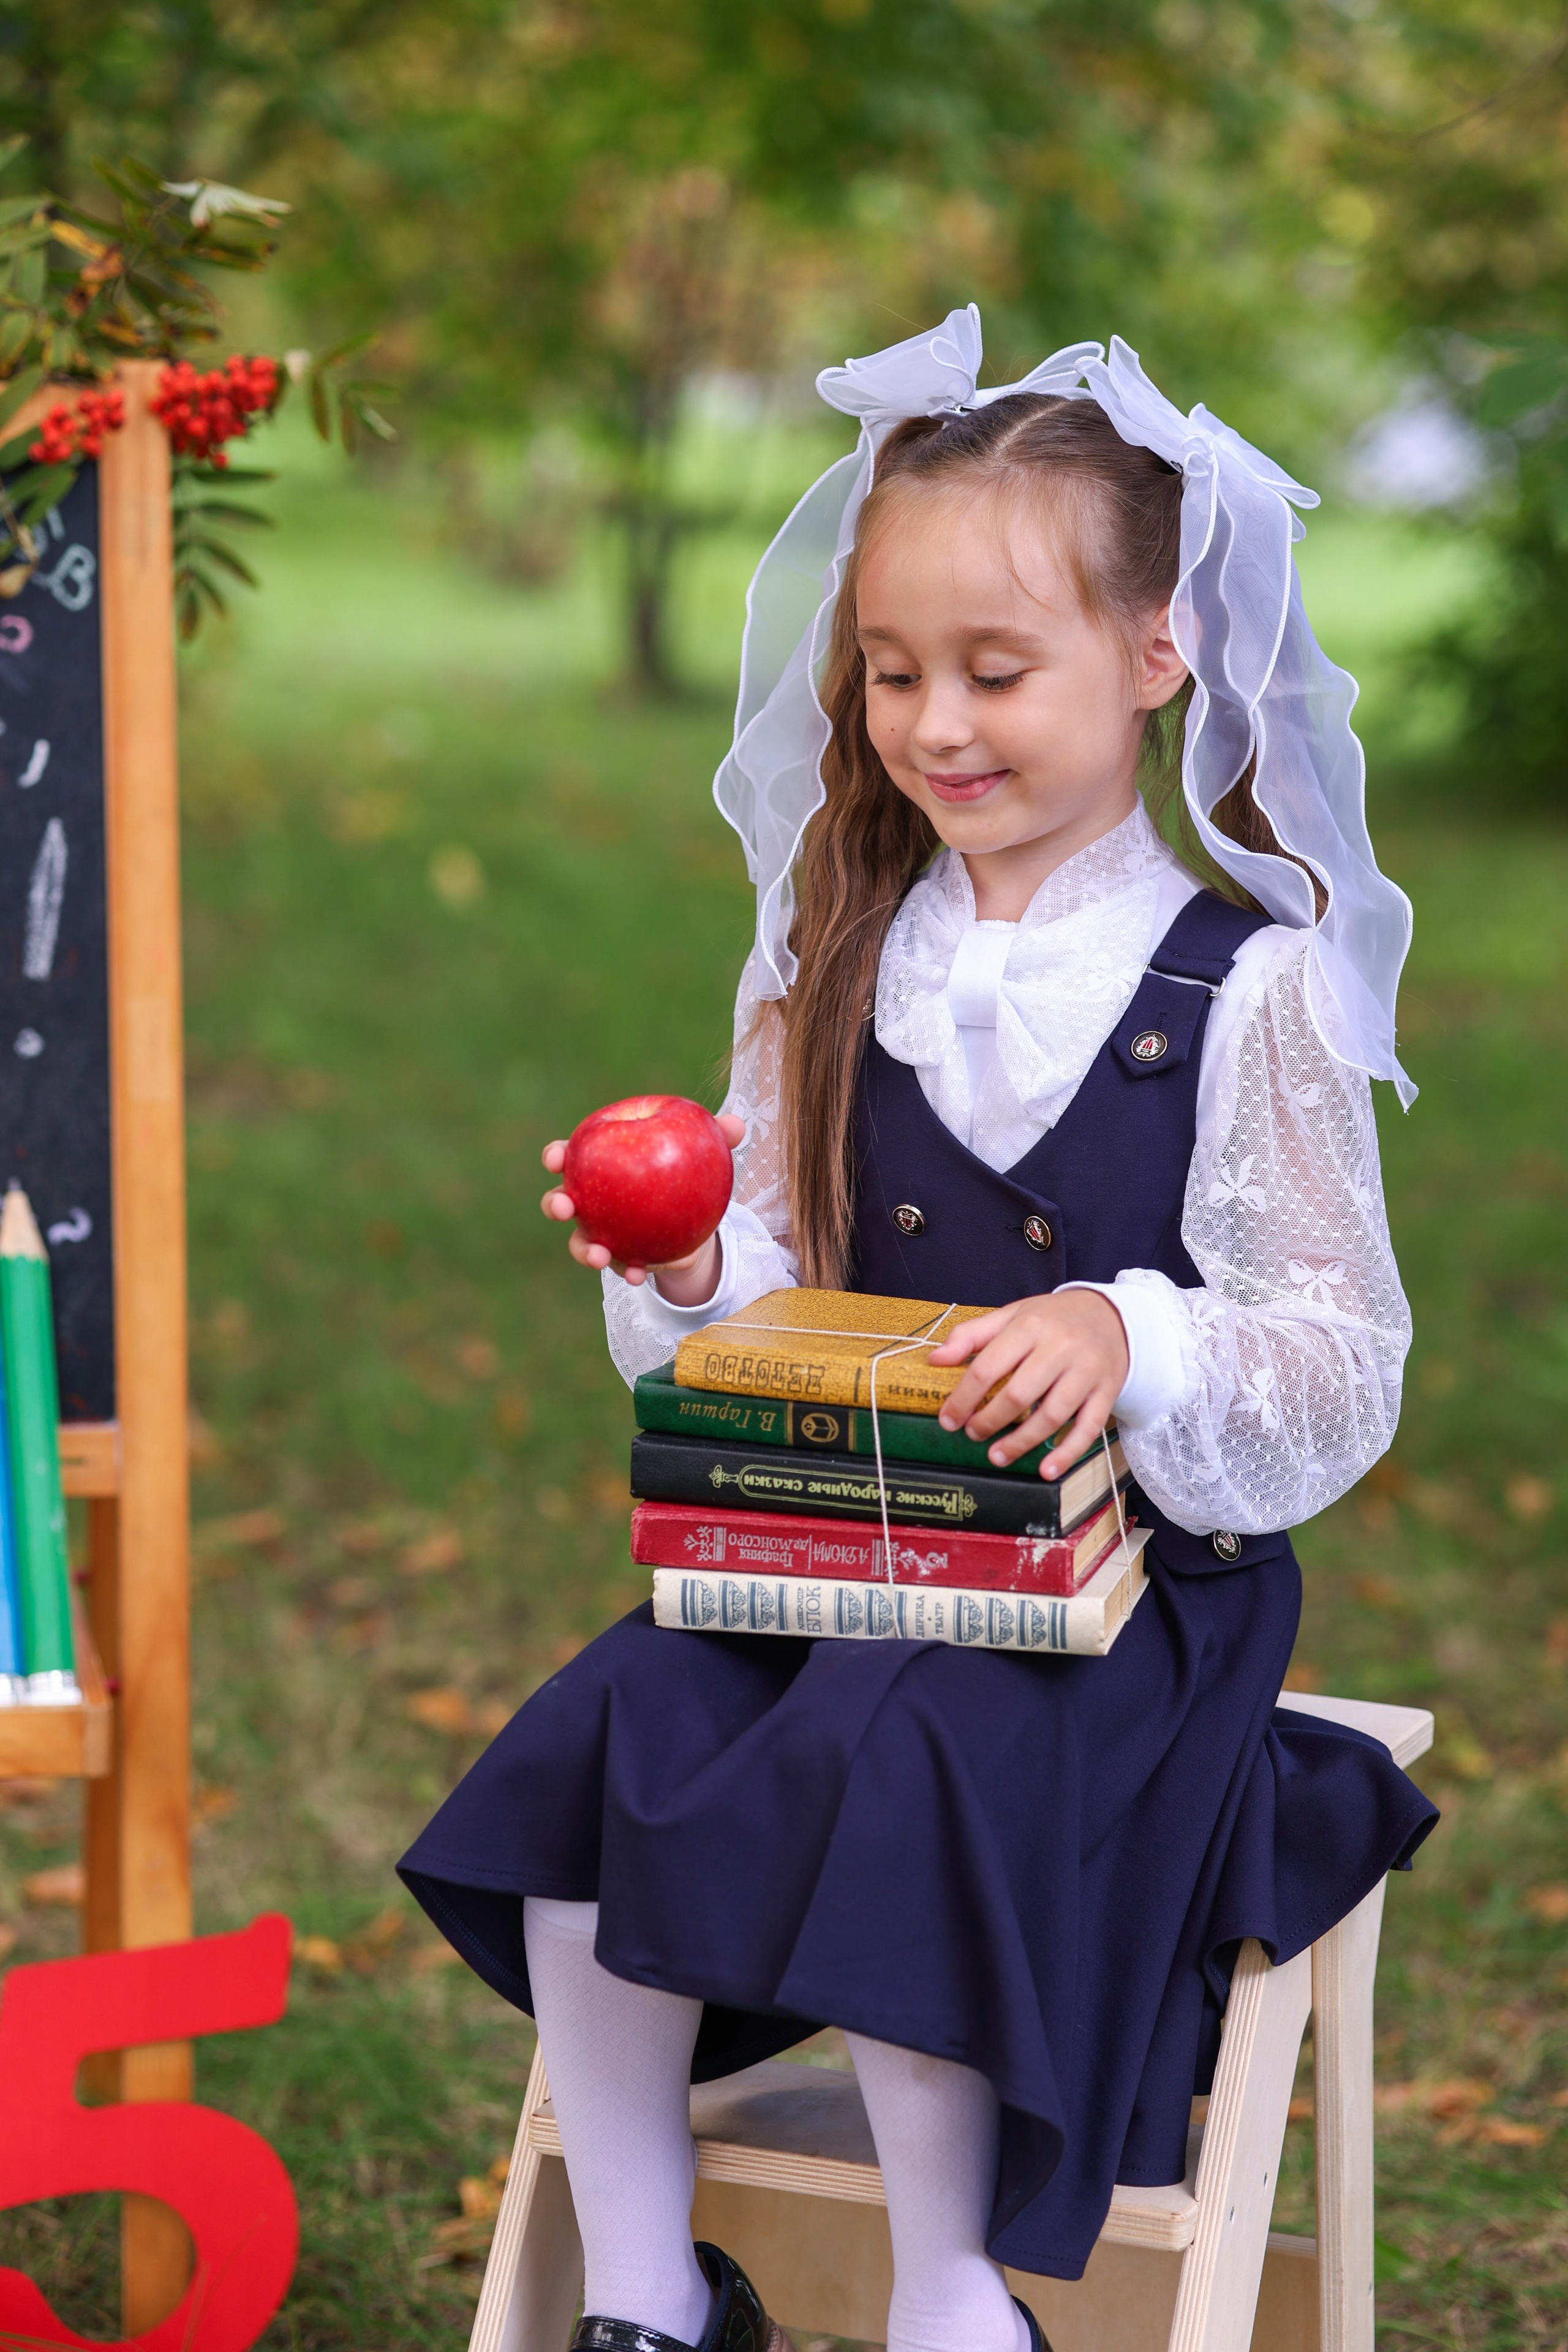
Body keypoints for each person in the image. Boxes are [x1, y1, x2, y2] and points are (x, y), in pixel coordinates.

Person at [401, 312, 1439, 2352]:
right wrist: (694, 1273)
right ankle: (646, 2292)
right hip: (848, 1560)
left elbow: (1339, 1353)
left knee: (907, 1751)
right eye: (891, 674)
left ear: (1157, 660)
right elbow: (767, 1300)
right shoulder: (834, 963)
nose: (936, 724)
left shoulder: (1257, 991)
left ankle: (960, 2301)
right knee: (622, 1730)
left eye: (995, 672)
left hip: (1129, 1610)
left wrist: (1134, 1335)